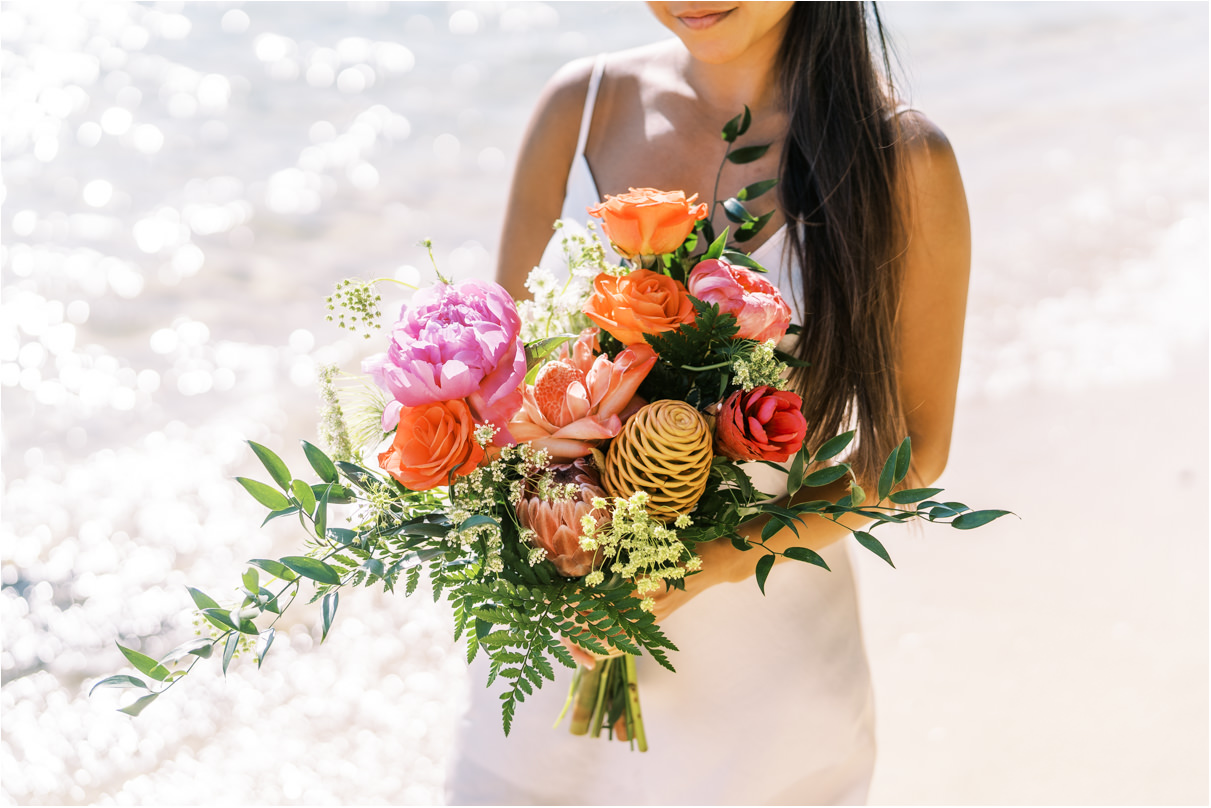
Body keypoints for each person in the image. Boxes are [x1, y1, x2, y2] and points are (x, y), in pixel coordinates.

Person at [446, 2, 970, 804]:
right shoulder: (579, 107)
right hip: (552, 651)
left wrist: (705, 563)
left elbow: (910, 455)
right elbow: (499, 383)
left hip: (758, 686)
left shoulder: (899, 158)